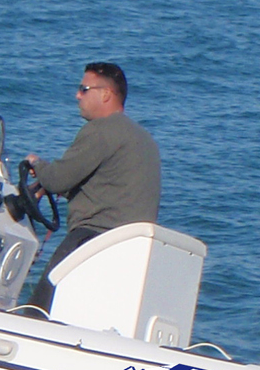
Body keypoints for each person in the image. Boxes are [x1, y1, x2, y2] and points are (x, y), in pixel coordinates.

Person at [22, 61, 162, 312]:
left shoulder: (101, 130)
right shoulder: (143, 138)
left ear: (106, 94)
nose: (78, 95)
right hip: (131, 248)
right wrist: (51, 186)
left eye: (84, 89)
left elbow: (57, 178)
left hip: (91, 239)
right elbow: (105, 184)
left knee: (37, 311)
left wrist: (37, 165)